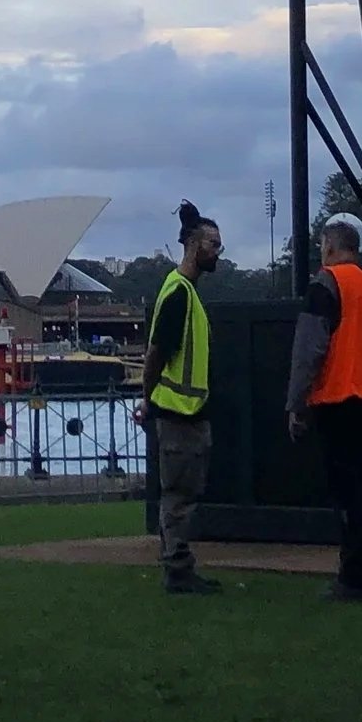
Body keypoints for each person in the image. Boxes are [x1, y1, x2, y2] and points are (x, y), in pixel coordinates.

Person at [287, 217, 362, 601]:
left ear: (329, 245)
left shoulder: (326, 283)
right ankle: (360, 568)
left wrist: (296, 403)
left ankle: (353, 577)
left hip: (335, 397)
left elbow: (309, 348)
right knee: (360, 487)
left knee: (343, 490)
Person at [140, 201, 223, 597]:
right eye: (213, 244)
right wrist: (147, 397)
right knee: (178, 496)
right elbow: (157, 352)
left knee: (183, 494)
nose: (217, 252)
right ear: (193, 245)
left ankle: (179, 564)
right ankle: (177, 568)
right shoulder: (179, 295)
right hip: (178, 412)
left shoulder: (183, 292)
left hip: (186, 410)